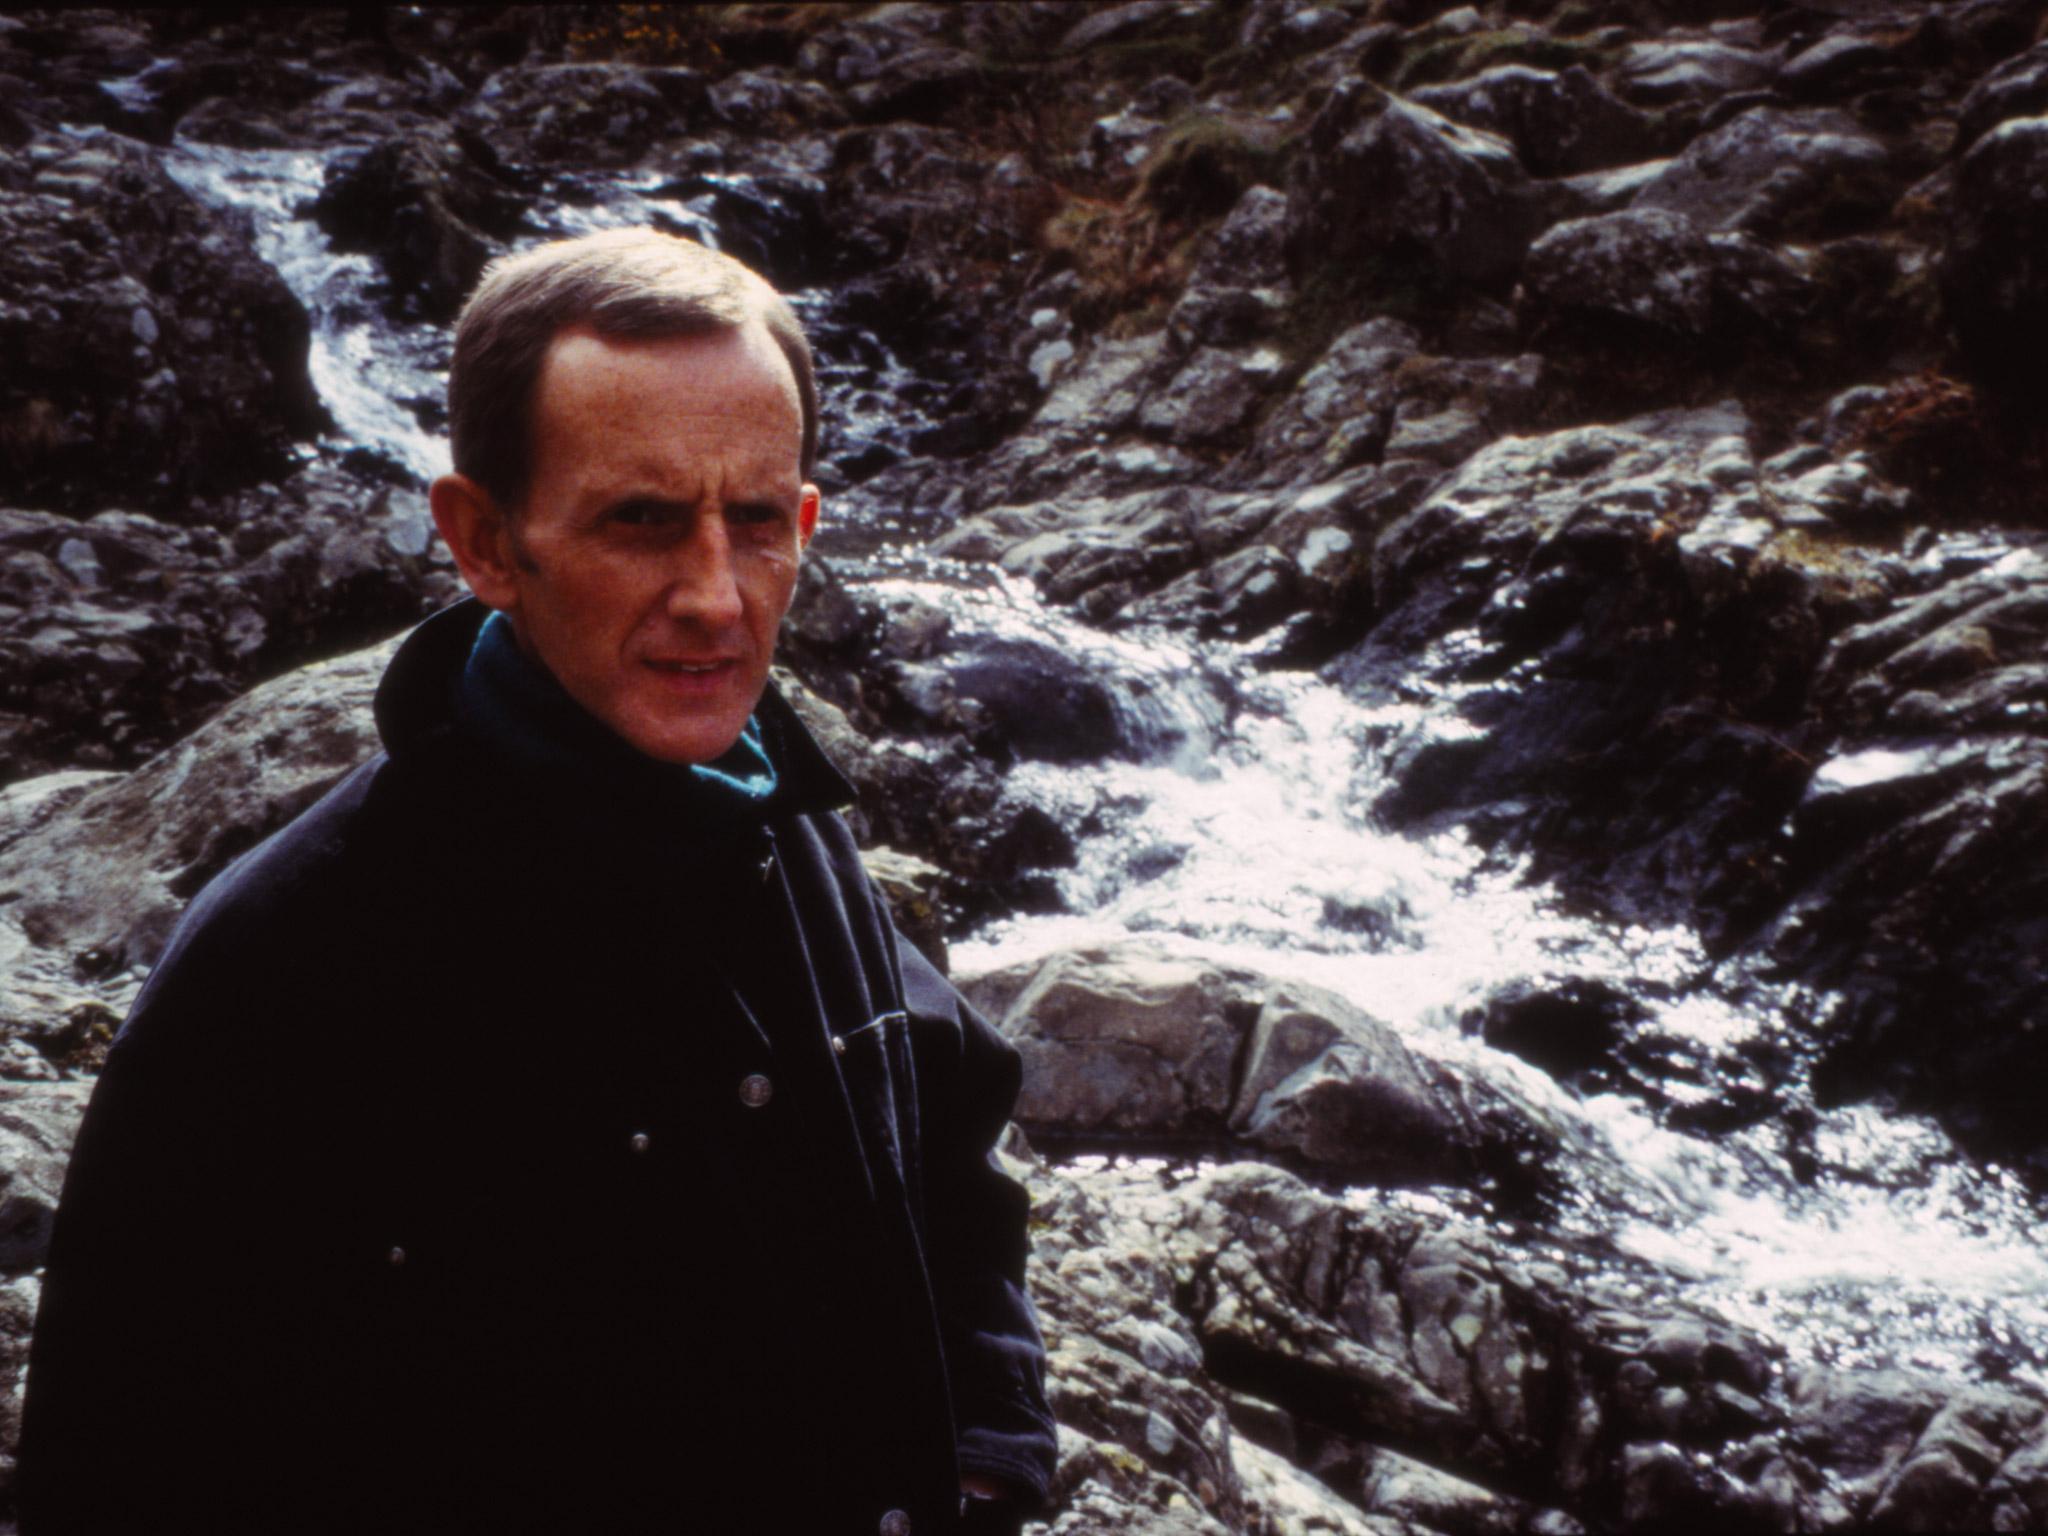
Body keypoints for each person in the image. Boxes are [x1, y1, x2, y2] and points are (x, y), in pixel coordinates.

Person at [19, 228, 1057, 1534]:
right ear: (484, 541)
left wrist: (988, 1456)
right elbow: (117, 1478)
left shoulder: (789, 829)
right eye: (641, 520)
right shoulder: (289, 970)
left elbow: (954, 1159)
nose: (714, 597)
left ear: (803, 525)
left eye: (753, 522)